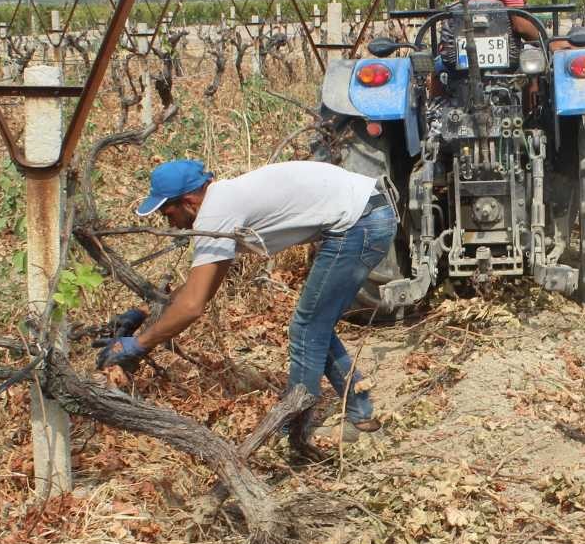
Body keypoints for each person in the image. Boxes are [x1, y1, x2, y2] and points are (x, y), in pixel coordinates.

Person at [96, 159, 398, 442]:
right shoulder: (221, 202)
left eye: (169, 214)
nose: (171, 224)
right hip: (365, 212)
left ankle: (296, 428)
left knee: (307, 329)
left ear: (188, 203)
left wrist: (139, 344)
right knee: (314, 326)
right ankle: (361, 415)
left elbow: (192, 307)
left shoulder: (216, 214)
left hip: (360, 223)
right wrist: (143, 311)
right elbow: (197, 288)